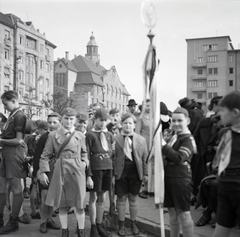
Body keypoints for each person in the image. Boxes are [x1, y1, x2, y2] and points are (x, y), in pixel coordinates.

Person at [39, 108, 89, 237]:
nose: (69, 121)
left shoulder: (81, 135)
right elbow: (45, 155)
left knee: (79, 203)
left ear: (75, 120)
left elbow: (84, 153)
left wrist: (84, 163)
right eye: (66, 118)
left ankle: (81, 231)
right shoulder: (53, 135)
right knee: (62, 203)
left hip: (77, 170)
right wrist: (43, 171)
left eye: (71, 119)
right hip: (60, 170)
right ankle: (65, 231)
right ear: (62, 119)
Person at [162, 107, 196, 237]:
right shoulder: (175, 136)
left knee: (183, 213)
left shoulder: (188, 139)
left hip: (181, 179)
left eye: (179, 120)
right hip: (169, 177)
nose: (175, 123)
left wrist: (163, 145)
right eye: (174, 120)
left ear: (187, 121)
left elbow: (179, 158)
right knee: (172, 212)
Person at [114, 113, 148, 236]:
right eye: (125, 123)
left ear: (134, 125)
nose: (127, 125)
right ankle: (121, 223)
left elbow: (144, 158)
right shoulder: (116, 138)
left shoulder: (141, 139)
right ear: (121, 124)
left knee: (133, 198)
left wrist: (145, 173)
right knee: (121, 198)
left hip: (135, 171)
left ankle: (133, 222)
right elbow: (113, 157)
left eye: (130, 123)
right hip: (121, 172)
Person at [212, 91, 240, 237]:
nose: (219, 114)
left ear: (235, 113)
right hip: (224, 185)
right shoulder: (224, 133)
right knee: (221, 228)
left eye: (223, 110)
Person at [0, 90, 27, 235]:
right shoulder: (12, 115)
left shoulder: (19, 116)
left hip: (14, 154)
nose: (4, 107)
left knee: (17, 189)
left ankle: (13, 221)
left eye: (5, 104)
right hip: (6, 154)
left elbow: (19, 140)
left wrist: (0, 140)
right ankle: (0, 219)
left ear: (14, 101)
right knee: (1, 188)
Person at [86, 108, 115, 237]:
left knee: (102, 197)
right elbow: (86, 156)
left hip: (107, 168)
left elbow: (112, 153)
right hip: (95, 170)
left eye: (105, 120)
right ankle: (92, 226)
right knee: (93, 197)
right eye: (100, 120)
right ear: (95, 120)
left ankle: (99, 224)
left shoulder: (109, 135)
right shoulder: (90, 135)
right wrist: (89, 175)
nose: (103, 123)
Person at [33, 112, 61, 233]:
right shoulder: (44, 137)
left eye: (55, 122)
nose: (52, 125)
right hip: (45, 170)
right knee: (44, 197)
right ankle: (43, 221)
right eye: (49, 122)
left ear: (59, 122)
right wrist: (37, 173)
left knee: (52, 197)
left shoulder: (61, 136)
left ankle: (49, 219)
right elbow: (37, 156)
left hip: (57, 170)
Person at [135, 99, 151, 199]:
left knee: (150, 167)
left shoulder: (154, 117)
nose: (148, 107)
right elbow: (137, 133)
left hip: (152, 145)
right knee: (143, 165)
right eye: (146, 105)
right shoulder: (140, 118)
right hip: (143, 144)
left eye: (150, 105)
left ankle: (149, 188)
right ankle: (141, 188)